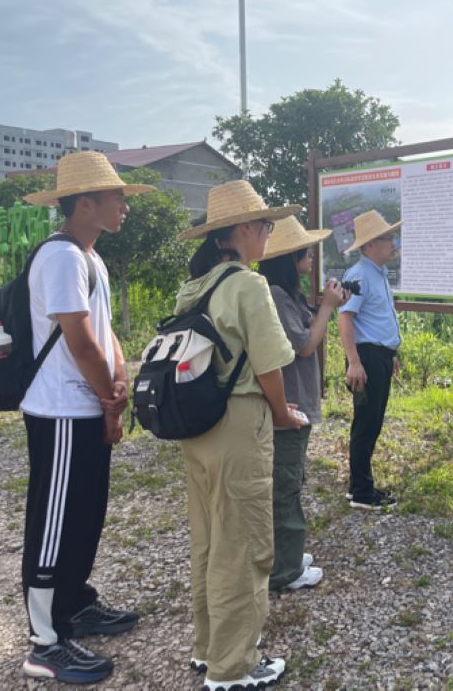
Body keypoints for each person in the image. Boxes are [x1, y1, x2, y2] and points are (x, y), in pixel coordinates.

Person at [18, 151, 155, 684]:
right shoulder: (61, 257)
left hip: (86, 405)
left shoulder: (90, 257)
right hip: (59, 410)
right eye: (117, 197)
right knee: (53, 523)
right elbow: (77, 337)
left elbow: (104, 330)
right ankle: (44, 643)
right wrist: (109, 399)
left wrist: (118, 381)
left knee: (84, 514)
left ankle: (73, 604)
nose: (125, 205)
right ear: (85, 203)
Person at [176, 181, 305, 691]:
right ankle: (233, 669)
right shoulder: (249, 285)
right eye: (266, 225)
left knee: (209, 539)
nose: (269, 233)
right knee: (244, 544)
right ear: (245, 229)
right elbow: (270, 365)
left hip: (198, 423)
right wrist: (282, 414)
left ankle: (208, 649)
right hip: (238, 423)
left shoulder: (195, 286)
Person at [257, 216, 349, 591]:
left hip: (296, 402)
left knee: (291, 479)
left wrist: (326, 305)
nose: (311, 256)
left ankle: (287, 554)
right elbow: (305, 345)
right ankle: (286, 570)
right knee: (285, 485)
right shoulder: (276, 295)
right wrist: (327, 308)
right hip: (288, 404)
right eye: (305, 251)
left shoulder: (286, 294)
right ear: (289, 258)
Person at [338, 210, 402, 511]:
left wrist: (391, 354)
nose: (393, 243)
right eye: (387, 238)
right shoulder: (360, 275)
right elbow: (345, 318)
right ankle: (363, 492)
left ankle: (359, 486)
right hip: (366, 357)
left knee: (372, 422)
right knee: (366, 423)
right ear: (369, 245)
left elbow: (377, 318)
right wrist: (354, 362)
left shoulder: (378, 272)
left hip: (378, 356)